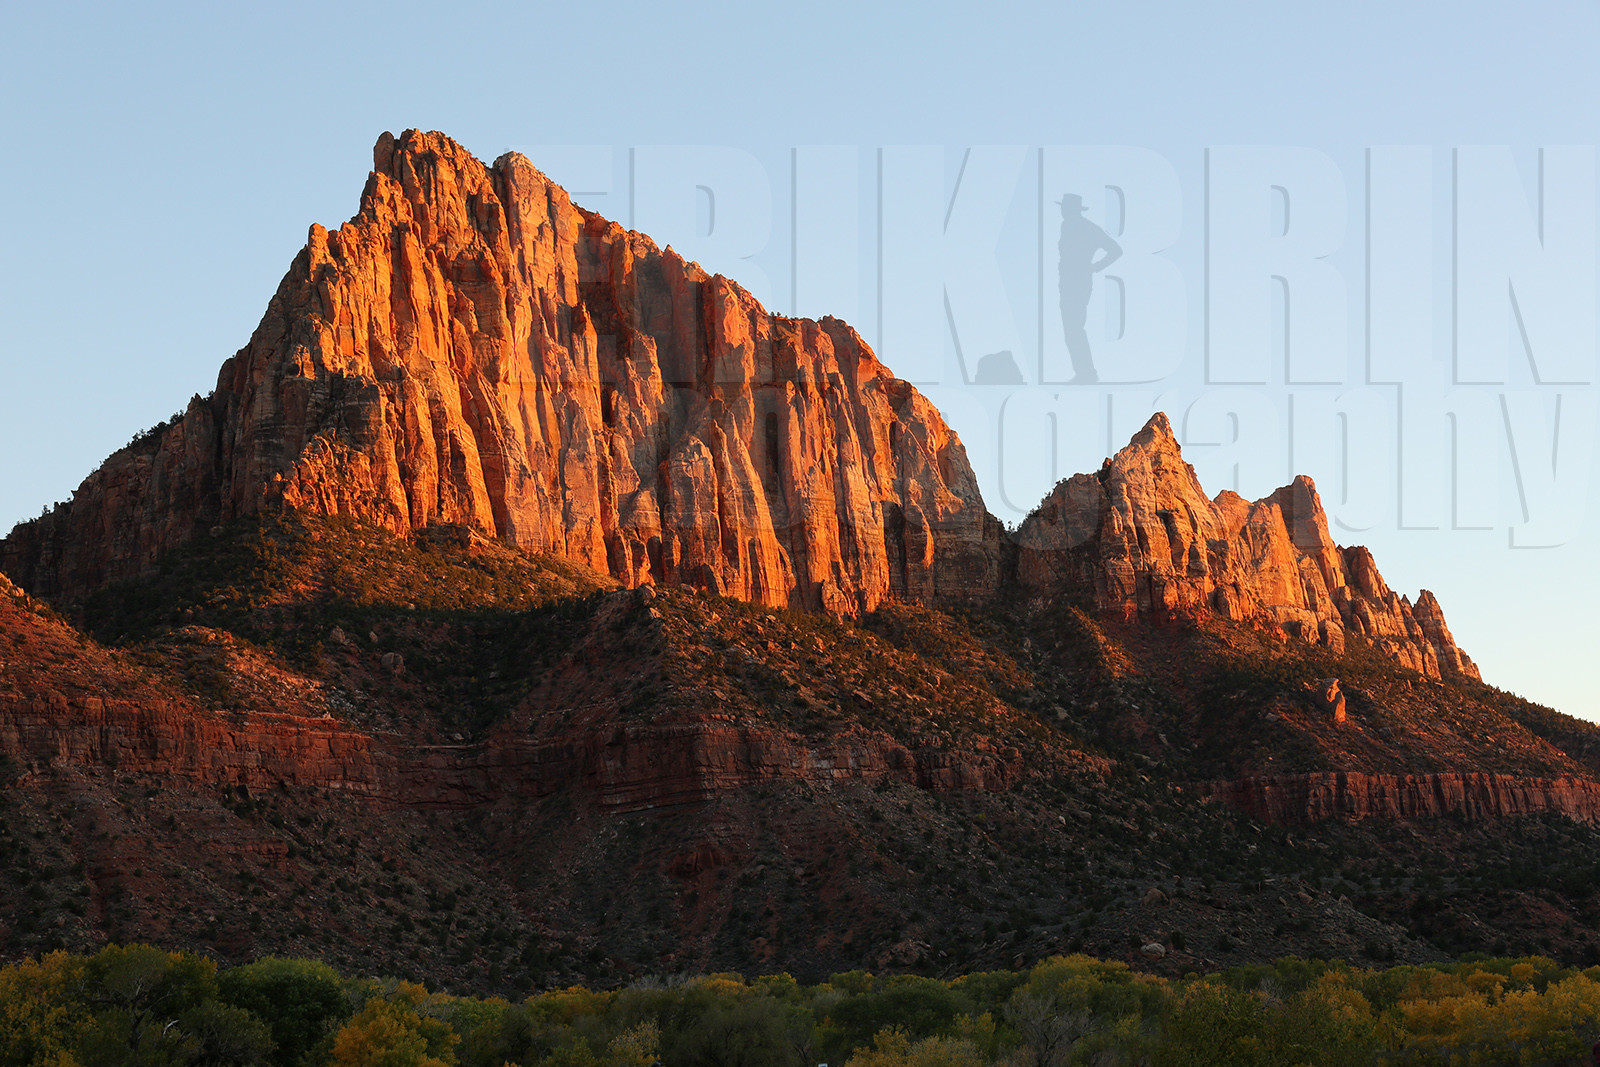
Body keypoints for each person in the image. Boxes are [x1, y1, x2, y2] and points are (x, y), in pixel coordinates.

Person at [1056, 193, 1122, 384]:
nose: (1063, 211)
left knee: (1074, 328)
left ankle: (1086, 373)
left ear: (1073, 209)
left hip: (1078, 282)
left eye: (1066, 207)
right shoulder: (1067, 226)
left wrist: (1094, 267)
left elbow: (1115, 250)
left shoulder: (1087, 228)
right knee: (1071, 329)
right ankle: (1083, 372)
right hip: (1068, 281)